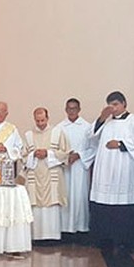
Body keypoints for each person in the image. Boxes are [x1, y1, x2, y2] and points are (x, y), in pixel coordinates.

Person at [89, 91, 134, 253]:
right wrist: (101, 118)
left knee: (124, 206)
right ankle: (105, 239)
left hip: (125, 169)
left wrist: (121, 144)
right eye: (110, 105)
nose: (113, 109)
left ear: (124, 104)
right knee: (105, 204)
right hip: (106, 169)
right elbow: (91, 138)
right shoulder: (106, 122)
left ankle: (125, 241)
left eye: (116, 104)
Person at [23, 107, 69, 241]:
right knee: (36, 206)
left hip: (51, 175)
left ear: (47, 118)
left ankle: (52, 237)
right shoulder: (28, 135)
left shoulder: (57, 132)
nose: (40, 123)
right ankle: (37, 237)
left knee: (52, 205)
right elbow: (23, 156)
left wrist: (48, 154)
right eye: (37, 121)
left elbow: (65, 153)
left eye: (43, 120)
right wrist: (33, 154)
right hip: (35, 174)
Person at [55, 98, 96, 239]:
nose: (71, 111)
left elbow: (93, 148)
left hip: (80, 167)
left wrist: (79, 155)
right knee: (66, 196)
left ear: (79, 109)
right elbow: (55, 148)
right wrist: (65, 156)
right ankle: (65, 230)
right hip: (65, 167)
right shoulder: (59, 128)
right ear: (65, 110)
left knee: (80, 197)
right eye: (69, 109)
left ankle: (81, 230)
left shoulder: (87, 127)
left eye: (74, 108)